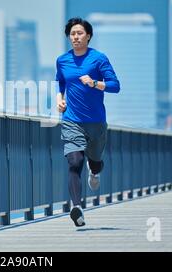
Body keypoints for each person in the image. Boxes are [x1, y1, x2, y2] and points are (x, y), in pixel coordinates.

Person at [55, 17, 120, 227]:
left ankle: (95, 170)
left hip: (96, 122)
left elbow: (115, 85)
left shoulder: (99, 59)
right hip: (72, 120)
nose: (75, 37)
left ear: (88, 36)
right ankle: (77, 208)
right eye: (72, 34)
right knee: (74, 162)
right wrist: (59, 99)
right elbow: (61, 82)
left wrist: (95, 83)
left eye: (79, 33)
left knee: (94, 162)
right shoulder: (62, 60)